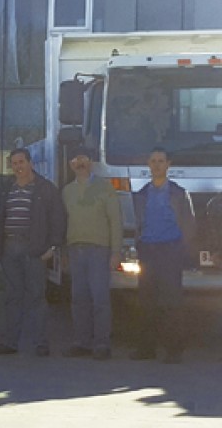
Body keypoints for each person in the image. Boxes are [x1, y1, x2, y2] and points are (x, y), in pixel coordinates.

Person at [0, 148, 66, 357]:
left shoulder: (46, 189)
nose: (18, 167)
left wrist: (53, 247)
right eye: (14, 163)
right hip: (9, 249)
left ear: (31, 163)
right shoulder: (6, 188)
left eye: (21, 162)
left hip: (34, 250)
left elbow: (57, 220)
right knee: (13, 297)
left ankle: (40, 343)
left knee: (37, 297)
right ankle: (10, 342)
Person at [130, 147, 196, 364]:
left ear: (169, 164)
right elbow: (138, 224)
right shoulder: (141, 195)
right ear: (148, 164)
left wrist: (183, 251)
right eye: (153, 161)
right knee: (146, 302)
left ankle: (174, 350)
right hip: (148, 251)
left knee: (172, 303)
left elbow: (188, 224)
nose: (157, 165)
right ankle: (146, 349)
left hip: (170, 251)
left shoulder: (178, 193)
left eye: (161, 161)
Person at [61, 146, 122, 361]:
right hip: (75, 249)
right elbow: (63, 222)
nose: (80, 163)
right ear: (71, 164)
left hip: (99, 250)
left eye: (84, 158)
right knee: (79, 298)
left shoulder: (105, 188)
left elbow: (115, 221)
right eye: (75, 159)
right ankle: (82, 342)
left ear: (91, 162)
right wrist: (63, 251)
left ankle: (102, 344)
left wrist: (116, 252)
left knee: (100, 298)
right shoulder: (67, 191)